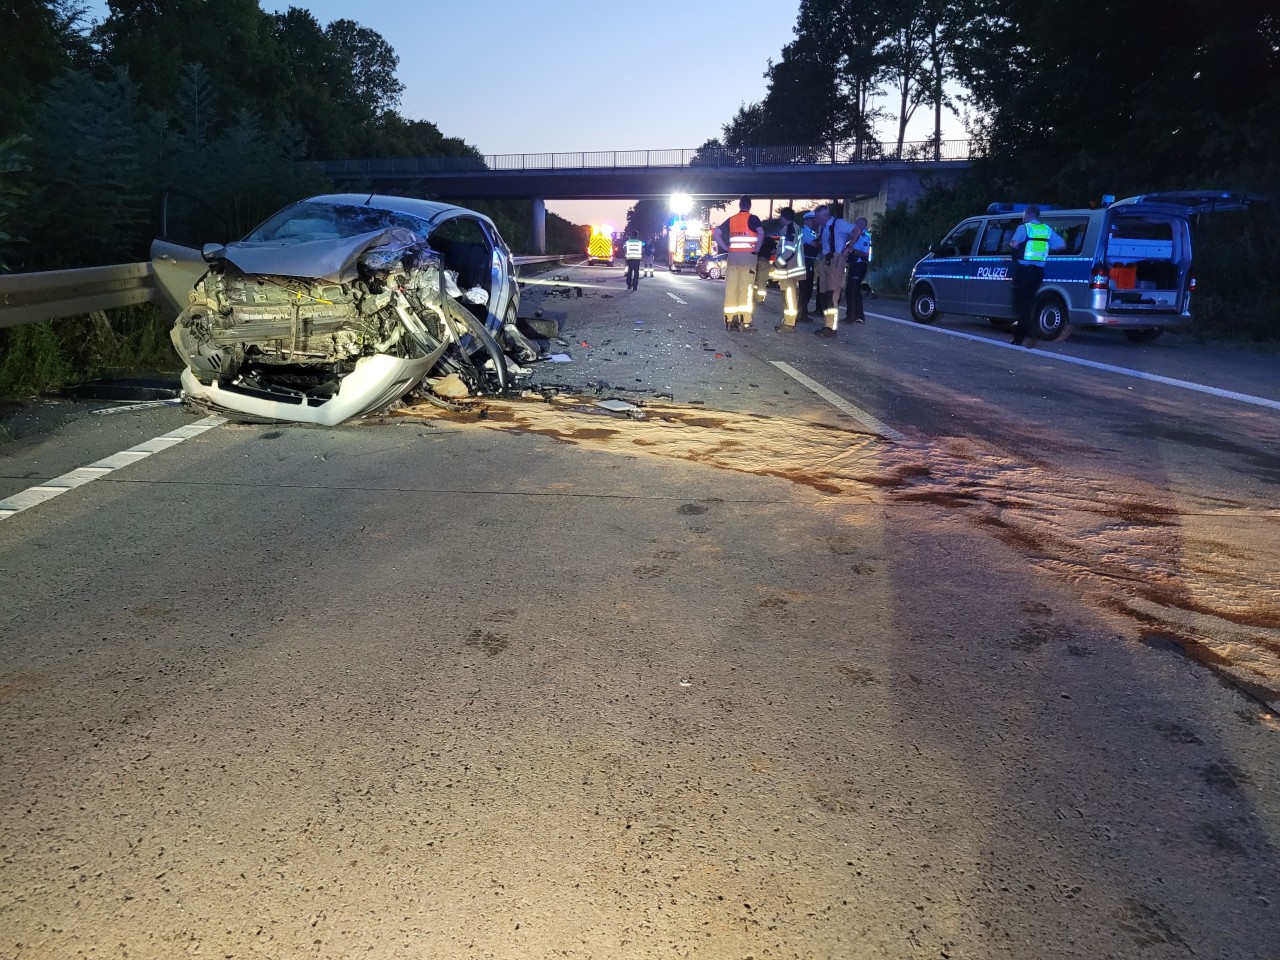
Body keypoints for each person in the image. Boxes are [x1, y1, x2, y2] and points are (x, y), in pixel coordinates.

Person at [1008, 206, 1066, 345]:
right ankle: (1019, 338)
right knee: (1027, 303)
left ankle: (1030, 332)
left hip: (1024, 271)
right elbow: (1062, 245)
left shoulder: (1024, 228)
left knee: (1020, 305)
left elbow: (1014, 243)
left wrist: (1015, 245)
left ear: (1027, 215)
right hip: (1038, 273)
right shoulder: (1046, 230)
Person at [711, 196, 764, 331]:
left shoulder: (732, 219)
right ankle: (744, 322)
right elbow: (761, 232)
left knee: (731, 289)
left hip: (733, 258)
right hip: (748, 258)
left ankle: (730, 320)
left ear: (739, 205)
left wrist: (726, 247)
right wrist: (757, 248)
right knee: (745, 289)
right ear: (749, 206)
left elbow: (716, 233)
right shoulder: (753, 218)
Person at [812, 204, 854, 338]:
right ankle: (827, 324)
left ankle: (831, 327)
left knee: (831, 294)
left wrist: (849, 247)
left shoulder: (839, 223)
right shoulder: (822, 227)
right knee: (824, 295)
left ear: (824, 216)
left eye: (817, 217)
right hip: (825, 259)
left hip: (836, 259)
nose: (816, 220)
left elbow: (857, 230)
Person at [769, 208, 806, 332]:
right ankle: (787, 322)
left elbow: (789, 251)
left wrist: (776, 264)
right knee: (786, 296)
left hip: (790, 269)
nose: (780, 219)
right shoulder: (791, 229)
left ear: (784, 218)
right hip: (789, 269)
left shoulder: (791, 229)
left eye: (781, 217)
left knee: (789, 297)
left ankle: (789, 324)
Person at [844, 217, 872, 324]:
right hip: (854, 264)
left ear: (862, 225)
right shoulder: (854, 236)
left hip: (859, 264)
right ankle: (856, 316)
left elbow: (865, 254)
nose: (854, 226)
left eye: (856, 224)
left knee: (852, 290)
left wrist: (852, 250)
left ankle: (853, 316)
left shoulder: (864, 237)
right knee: (851, 290)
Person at [798, 211, 820, 322]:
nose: (814, 222)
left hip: (809, 261)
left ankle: (802, 312)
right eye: (811, 219)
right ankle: (802, 313)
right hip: (805, 261)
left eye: (814, 219)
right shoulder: (805, 232)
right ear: (806, 220)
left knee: (807, 288)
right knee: (806, 288)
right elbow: (815, 244)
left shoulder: (812, 232)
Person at [755, 229, 776, 305]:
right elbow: (774, 251)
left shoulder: (755, 238)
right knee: (762, 281)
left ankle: (751, 296)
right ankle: (760, 298)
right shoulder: (769, 240)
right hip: (764, 261)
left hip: (753, 260)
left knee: (753, 279)